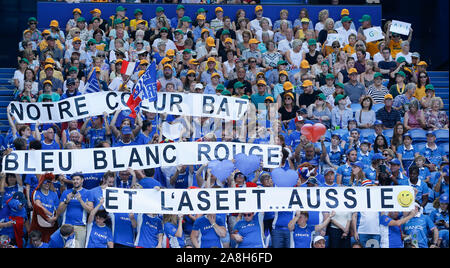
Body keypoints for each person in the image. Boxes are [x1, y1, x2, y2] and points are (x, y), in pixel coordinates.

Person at [57, 173, 93, 248]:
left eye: (77, 179)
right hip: (66, 225)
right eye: (73, 179)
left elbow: (90, 211)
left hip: (80, 226)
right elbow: (59, 212)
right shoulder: (66, 192)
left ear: (82, 180)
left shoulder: (88, 192)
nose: (75, 181)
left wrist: (80, 200)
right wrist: (67, 201)